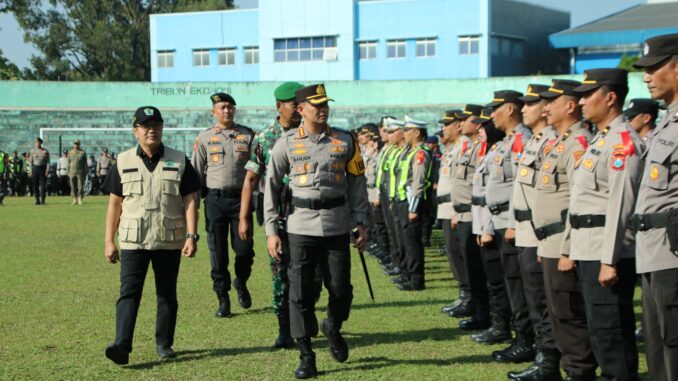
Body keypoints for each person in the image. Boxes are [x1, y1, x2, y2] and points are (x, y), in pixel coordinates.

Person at [263, 84, 368, 379]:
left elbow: (358, 184)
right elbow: (271, 188)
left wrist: (361, 222)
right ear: (301, 110)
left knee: (340, 288)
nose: (322, 109)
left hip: (336, 224)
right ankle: (306, 354)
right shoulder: (286, 143)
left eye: (325, 104)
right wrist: (272, 230)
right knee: (300, 291)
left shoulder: (345, 141)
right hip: (300, 225)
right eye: (316, 105)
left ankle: (333, 325)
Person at [102, 106, 200, 365]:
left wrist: (192, 235)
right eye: (146, 125)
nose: (152, 130)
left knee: (167, 293)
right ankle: (121, 345)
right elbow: (114, 204)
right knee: (129, 293)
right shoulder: (122, 161)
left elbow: (190, 200)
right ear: (135, 131)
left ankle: (164, 343)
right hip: (133, 240)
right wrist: (109, 241)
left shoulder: (179, 159)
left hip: (169, 238)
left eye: (156, 125)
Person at [566, 68, 643, 381]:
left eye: (588, 94)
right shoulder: (601, 139)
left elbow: (620, 204)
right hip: (589, 247)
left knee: (611, 330)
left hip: (606, 250)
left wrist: (609, 260)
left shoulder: (622, 141)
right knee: (599, 327)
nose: (581, 101)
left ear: (611, 97)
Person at [532, 79, 597, 381]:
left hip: (562, 242)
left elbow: (578, 199)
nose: (545, 108)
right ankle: (567, 369)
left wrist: (567, 248)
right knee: (557, 312)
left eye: (552, 102)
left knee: (569, 314)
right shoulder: (560, 141)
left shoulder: (577, 144)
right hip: (550, 241)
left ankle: (579, 371)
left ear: (569, 106)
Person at [239, 81, 304, 348]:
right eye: (293, 104)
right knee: (280, 272)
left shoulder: (310, 133)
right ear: (279, 106)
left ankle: (305, 317)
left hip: (307, 213)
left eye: (302, 105)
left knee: (311, 273)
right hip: (277, 213)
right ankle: (284, 327)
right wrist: (243, 216)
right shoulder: (265, 138)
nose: (299, 110)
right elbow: (251, 179)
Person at [631, 32, 678, 381]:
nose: (646, 76)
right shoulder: (666, 121)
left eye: (653, 68)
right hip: (653, 251)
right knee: (657, 344)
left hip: (672, 254)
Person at [506, 84, 560, 379]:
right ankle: (543, 354)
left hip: (541, 231)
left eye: (532, 103)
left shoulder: (552, 142)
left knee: (542, 298)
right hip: (527, 229)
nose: (525, 108)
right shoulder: (535, 140)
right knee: (533, 295)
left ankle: (548, 359)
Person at [192, 92, 255, 318]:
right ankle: (223, 298)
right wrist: (194, 208)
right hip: (215, 201)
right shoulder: (205, 137)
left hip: (242, 201)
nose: (226, 110)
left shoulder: (247, 135)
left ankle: (241, 280)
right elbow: (197, 174)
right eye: (222, 107)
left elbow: (257, 170)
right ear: (214, 112)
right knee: (218, 254)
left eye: (230, 106)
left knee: (245, 250)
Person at [468, 107, 512, 346]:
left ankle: (502, 325)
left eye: (485, 125)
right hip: (486, 221)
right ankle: (499, 323)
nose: (481, 129)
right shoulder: (492, 151)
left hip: (498, 222)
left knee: (499, 280)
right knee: (492, 279)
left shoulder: (505, 148)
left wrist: (485, 227)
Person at [453, 104, 491, 331]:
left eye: (465, 120)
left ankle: (483, 313)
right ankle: (477, 309)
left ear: (477, 124)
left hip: (475, 214)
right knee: (470, 266)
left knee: (478, 269)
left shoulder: (481, 148)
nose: (460, 124)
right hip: (466, 212)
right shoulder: (471, 147)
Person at [436, 110, 473, 316]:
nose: (444, 128)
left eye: (448, 124)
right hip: (447, 208)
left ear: (459, 125)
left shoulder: (464, 147)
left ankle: (469, 297)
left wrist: (456, 210)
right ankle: (464, 294)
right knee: (454, 254)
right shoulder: (452, 149)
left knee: (461, 256)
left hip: (455, 209)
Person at [395, 116, 433, 291]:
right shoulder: (410, 152)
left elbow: (418, 182)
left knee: (413, 244)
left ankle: (416, 281)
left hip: (413, 203)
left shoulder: (420, 153)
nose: (404, 133)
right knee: (407, 242)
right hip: (404, 201)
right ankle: (410, 276)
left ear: (417, 133)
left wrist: (413, 208)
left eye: (407, 130)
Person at [29, 137, 50, 205]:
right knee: (35, 185)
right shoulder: (32, 151)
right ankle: (37, 200)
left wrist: (47, 170)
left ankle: (43, 200)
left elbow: (48, 162)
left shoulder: (45, 151)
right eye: (36, 142)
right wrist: (30, 171)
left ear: (41, 143)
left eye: (38, 142)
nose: (37, 143)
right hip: (35, 169)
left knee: (43, 185)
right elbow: (30, 162)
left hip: (43, 169)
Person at [68, 140, 87, 204]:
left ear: (79, 144)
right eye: (75, 144)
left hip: (80, 171)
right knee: (73, 186)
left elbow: (85, 164)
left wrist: (85, 172)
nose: (76, 145)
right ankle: (74, 199)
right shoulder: (70, 152)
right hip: (72, 171)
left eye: (77, 144)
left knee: (80, 186)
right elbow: (68, 163)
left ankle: (80, 198)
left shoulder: (82, 153)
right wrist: (68, 171)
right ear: (73, 145)